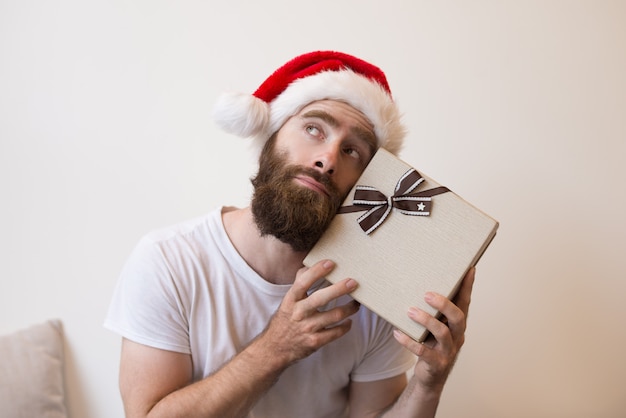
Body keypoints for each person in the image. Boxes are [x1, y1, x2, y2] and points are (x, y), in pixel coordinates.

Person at [104, 50, 476, 418]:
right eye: (314, 129)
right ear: (270, 136)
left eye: (352, 151)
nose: (328, 159)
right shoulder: (169, 260)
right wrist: (276, 347)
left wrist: (428, 383)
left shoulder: (371, 292)